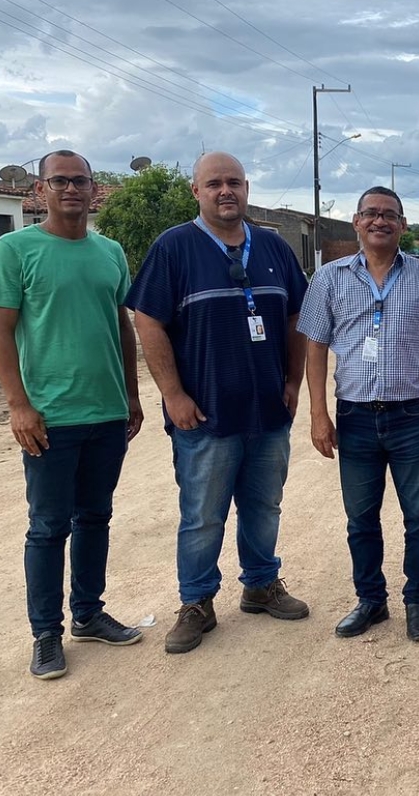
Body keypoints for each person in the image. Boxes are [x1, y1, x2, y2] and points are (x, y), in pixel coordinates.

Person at [128, 151, 310, 655]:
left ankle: (260, 584)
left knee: (263, 504)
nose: (225, 191)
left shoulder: (272, 246)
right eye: (214, 184)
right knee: (203, 514)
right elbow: (149, 321)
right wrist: (173, 395)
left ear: (247, 188)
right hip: (204, 413)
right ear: (197, 192)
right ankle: (196, 603)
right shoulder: (174, 248)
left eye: (234, 182)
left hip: (269, 411)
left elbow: (296, 316)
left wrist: (295, 381)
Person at [0, 148, 144, 680]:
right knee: (49, 527)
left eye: (81, 181)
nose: (71, 189)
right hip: (49, 418)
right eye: (60, 181)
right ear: (40, 189)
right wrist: (18, 405)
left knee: (95, 517)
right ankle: (46, 634)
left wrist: (132, 395)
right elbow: (0, 332)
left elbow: (122, 326)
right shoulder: (14, 249)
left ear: (95, 190)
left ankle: (89, 614)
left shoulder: (110, 252)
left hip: (106, 414)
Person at [298, 186, 419, 642]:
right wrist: (317, 413)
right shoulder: (328, 279)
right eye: (371, 213)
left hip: (412, 418)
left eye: (390, 214)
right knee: (361, 517)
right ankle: (371, 601)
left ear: (403, 225)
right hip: (353, 416)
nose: (380, 221)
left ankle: (417, 602)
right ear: (356, 221)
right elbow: (315, 347)